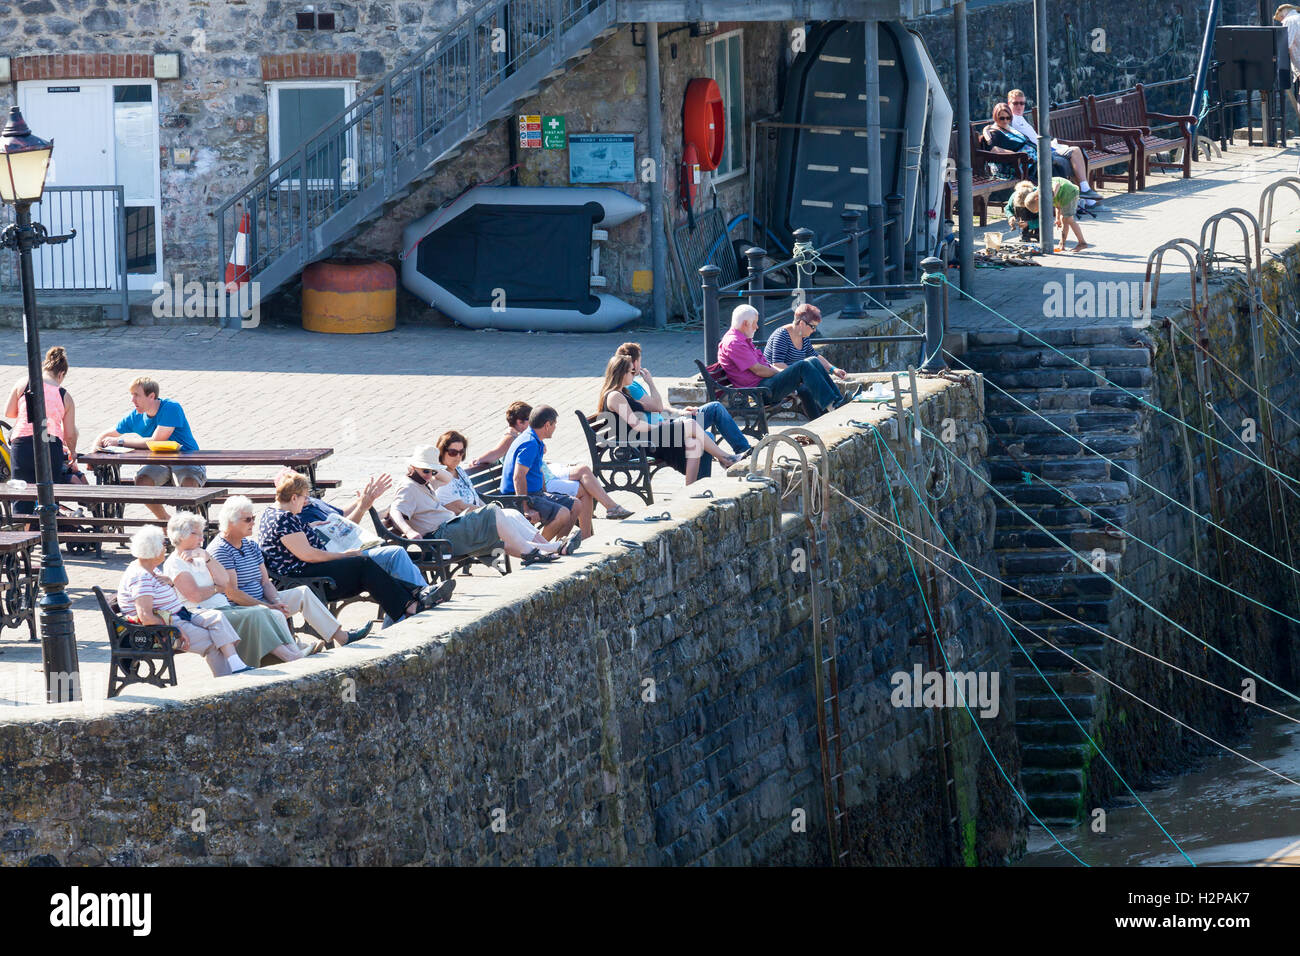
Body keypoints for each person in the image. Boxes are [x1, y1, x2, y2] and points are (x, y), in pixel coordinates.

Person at [255, 472, 453, 626]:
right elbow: (309, 555)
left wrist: (311, 528)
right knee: (363, 565)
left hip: (308, 568)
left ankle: (413, 603)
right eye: (304, 498)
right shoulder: (284, 519)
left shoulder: (277, 513)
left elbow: (299, 544)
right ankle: (412, 604)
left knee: (367, 567)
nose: (306, 503)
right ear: (294, 497)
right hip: (306, 576)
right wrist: (344, 555)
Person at [209, 496, 373, 647]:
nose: (253, 523)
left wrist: (275, 601)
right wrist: (268, 606)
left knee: (302, 593)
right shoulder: (221, 550)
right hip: (241, 608)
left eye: (254, 518)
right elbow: (233, 594)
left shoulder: (250, 545)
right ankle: (295, 648)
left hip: (263, 600)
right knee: (276, 613)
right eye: (248, 519)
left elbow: (265, 582)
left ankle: (342, 637)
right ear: (230, 522)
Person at [163, 511, 325, 665]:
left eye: (201, 533)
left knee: (273, 613)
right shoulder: (175, 562)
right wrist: (216, 588)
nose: (201, 538)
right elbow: (196, 596)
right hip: (205, 613)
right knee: (260, 612)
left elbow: (224, 581)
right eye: (196, 534)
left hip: (222, 607)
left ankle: (294, 651)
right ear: (181, 535)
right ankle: (292, 656)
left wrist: (207, 558)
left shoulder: (200, 555)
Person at [391, 443, 578, 563]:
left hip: (450, 530)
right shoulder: (408, 486)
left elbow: (446, 478)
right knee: (493, 511)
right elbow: (395, 511)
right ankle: (532, 552)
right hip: (440, 536)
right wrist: (409, 531)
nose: (430, 475)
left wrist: (430, 469)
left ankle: (551, 548)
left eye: (432, 472)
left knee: (495, 539)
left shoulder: (424, 480)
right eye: (426, 471)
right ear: (412, 467)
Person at [275, 468, 438, 594]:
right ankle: (422, 596)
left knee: (400, 564)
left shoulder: (312, 502)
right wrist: (362, 507)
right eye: (303, 493)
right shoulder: (298, 515)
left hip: (357, 549)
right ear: (291, 496)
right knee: (396, 555)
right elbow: (341, 535)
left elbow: (341, 514)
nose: (307, 496)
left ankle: (416, 602)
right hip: (344, 558)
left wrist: (364, 499)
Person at [117, 525, 250, 677]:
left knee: (217, 617)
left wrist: (170, 583)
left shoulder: (149, 569)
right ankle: (227, 679)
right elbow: (146, 617)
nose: (165, 548)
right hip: (163, 628)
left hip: (181, 614)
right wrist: (177, 631)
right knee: (214, 642)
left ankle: (237, 665)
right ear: (153, 550)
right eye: (163, 545)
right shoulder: (141, 576)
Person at [470, 401, 632, 522]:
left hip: (544, 472)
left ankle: (594, 525)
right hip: (539, 482)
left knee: (583, 472)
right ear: (520, 422)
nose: (534, 423)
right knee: (582, 488)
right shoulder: (516, 437)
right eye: (530, 420)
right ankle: (593, 525)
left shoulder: (529, 438)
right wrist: (479, 460)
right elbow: (501, 458)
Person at [598, 355, 739, 486]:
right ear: (621, 373)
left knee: (694, 442)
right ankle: (725, 458)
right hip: (637, 444)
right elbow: (636, 424)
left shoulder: (624, 393)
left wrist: (668, 417)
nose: (633, 374)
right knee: (689, 424)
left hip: (645, 439)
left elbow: (656, 408)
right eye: (630, 371)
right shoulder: (614, 396)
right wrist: (660, 426)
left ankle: (691, 490)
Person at [432, 430, 568, 562]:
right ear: (442, 452)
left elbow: (474, 495)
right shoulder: (441, 478)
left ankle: (548, 548)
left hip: (475, 517)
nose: (457, 457)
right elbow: (458, 507)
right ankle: (550, 548)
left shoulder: (459, 470)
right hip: (463, 526)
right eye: (452, 452)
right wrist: (489, 513)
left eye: (461, 452)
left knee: (512, 514)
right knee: (507, 516)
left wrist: (490, 511)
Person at [93, 376, 204, 521]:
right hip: (160, 463)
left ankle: (189, 528)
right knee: (142, 481)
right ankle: (166, 521)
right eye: (131, 395)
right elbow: (105, 434)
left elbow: (156, 440)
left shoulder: (171, 407)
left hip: (187, 460)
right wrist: (94, 451)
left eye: (136, 395)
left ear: (151, 396)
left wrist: (120, 442)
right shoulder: (136, 416)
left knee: (188, 484)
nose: (132, 400)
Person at [614, 342, 750, 457]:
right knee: (714, 411)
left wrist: (679, 412)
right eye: (640, 361)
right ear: (635, 363)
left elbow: (654, 409)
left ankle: (739, 452)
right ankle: (741, 452)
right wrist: (650, 383)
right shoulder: (631, 386)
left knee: (712, 416)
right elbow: (657, 407)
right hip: (658, 433)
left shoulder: (631, 384)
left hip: (665, 425)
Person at [717, 304, 852, 420]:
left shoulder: (741, 339)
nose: (757, 327)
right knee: (803, 365)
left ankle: (837, 401)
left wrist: (832, 369)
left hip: (766, 384)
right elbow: (759, 370)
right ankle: (833, 405)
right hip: (761, 390)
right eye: (755, 323)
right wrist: (783, 373)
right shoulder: (734, 343)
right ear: (746, 323)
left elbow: (762, 367)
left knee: (812, 360)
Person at [3, 346, 87, 515]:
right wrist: (72, 452)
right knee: (48, 495)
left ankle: (21, 532)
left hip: (22, 443)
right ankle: (48, 534)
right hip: (50, 445)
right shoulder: (65, 396)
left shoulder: (24, 383)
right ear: (61, 374)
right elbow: (69, 434)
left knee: (22, 492)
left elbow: (9, 412)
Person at [500, 405, 588, 546]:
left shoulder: (535, 439)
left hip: (536, 494)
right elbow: (518, 477)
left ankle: (560, 547)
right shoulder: (529, 443)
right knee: (563, 513)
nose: (555, 428)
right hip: (517, 497)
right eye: (554, 424)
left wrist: (546, 495)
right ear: (547, 425)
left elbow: (538, 471)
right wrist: (526, 509)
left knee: (576, 504)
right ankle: (537, 550)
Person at [1006, 88, 1101, 203]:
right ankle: (1086, 192)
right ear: (1008, 104)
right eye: (1015, 103)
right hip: (1040, 152)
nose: (1019, 106)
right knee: (1075, 151)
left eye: (1022, 103)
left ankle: (1086, 197)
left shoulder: (1020, 118)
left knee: (1075, 155)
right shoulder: (1011, 119)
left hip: (1048, 147)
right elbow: (996, 127)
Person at [981, 103, 1073, 185]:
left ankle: (1062, 196)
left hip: (1032, 159)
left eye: (1008, 118)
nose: (1005, 121)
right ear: (996, 118)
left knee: (1056, 167)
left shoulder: (1009, 128)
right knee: (1050, 168)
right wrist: (1016, 155)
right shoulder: (994, 132)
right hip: (1020, 163)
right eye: (1002, 118)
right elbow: (994, 149)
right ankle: (1055, 198)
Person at [761, 304, 850, 381]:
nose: (814, 330)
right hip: (777, 380)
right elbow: (777, 364)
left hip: (793, 378)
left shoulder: (803, 336)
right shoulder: (782, 335)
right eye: (813, 326)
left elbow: (815, 356)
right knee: (808, 369)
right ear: (802, 324)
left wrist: (834, 370)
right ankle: (833, 399)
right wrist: (802, 375)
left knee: (814, 361)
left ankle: (837, 398)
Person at [1019, 178, 1088, 253]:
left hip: (1069, 193)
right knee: (1063, 220)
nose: (1042, 209)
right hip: (1063, 196)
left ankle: (1082, 243)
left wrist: (1051, 198)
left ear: (1037, 199)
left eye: (1039, 207)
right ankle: (1062, 245)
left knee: (1068, 219)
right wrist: (1057, 218)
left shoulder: (1043, 190)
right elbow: (1057, 205)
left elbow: (1057, 185)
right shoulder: (1044, 196)